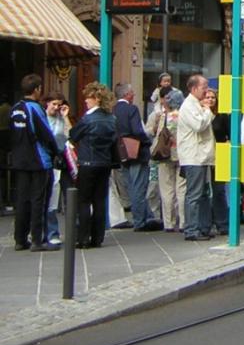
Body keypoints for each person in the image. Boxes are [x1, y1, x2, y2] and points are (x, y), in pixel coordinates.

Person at [9, 74, 61, 251]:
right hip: (38, 160)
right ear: (37, 89)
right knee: (39, 200)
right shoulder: (35, 108)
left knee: (22, 200)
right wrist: (56, 152)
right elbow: (45, 133)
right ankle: (38, 239)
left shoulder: (15, 108)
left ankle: (20, 239)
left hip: (20, 160)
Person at [69, 82, 121, 249]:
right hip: (104, 163)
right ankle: (97, 237)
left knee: (84, 201)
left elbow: (73, 135)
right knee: (99, 200)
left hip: (87, 162)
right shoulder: (111, 119)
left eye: (88, 98)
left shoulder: (88, 119)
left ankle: (83, 238)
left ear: (97, 99)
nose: (86, 101)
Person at [113, 83, 159, 231]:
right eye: (132, 92)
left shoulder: (113, 110)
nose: (133, 95)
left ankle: (147, 216)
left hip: (121, 151)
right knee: (139, 186)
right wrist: (147, 141)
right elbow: (137, 130)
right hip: (136, 151)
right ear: (127, 94)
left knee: (131, 185)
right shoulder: (131, 109)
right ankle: (140, 221)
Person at [177, 75, 215, 241]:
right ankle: (191, 229)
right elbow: (199, 125)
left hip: (202, 156)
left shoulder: (196, 104)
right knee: (194, 194)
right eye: (203, 87)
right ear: (194, 89)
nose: (206, 91)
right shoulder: (188, 106)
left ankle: (203, 226)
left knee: (204, 193)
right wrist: (207, 110)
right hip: (194, 157)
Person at [146, 87, 185, 232]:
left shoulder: (163, 116)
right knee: (182, 189)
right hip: (182, 154)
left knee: (166, 189)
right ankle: (183, 222)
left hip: (164, 154)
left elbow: (155, 134)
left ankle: (169, 223)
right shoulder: (184, 116)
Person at [43, 92, 71, 245]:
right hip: (48, 160)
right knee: (51, 198)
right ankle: (51, 232)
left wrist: (65, 117)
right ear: (47, 103)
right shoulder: (42, 118)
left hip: (62, 161)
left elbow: (70, 135)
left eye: (59, 105)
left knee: (67, 195)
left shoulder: (61, 119)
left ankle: (67, 232)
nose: (56, 107)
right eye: (54, 104)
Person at [207, 88, 231, 235]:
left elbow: (229, 135)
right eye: (208, 97)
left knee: (219, 191)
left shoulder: (222, 116)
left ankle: (222, 223)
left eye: (213, 97)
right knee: (205, 192)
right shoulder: (200, 114)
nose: (210, 100)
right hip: (204, 156)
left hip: (220, 155)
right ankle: (207, 223)